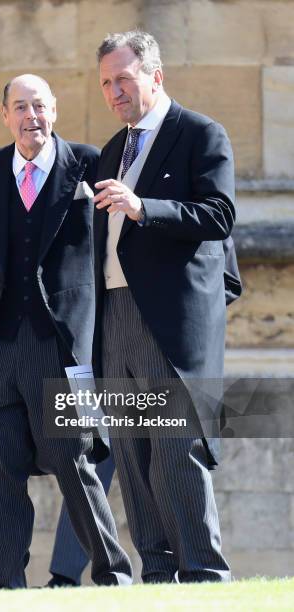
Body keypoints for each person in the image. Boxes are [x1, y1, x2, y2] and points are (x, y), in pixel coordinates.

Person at [0, 73, 132, 589]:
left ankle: (113, 575)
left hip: (60, 347)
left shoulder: (90, 163)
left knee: (74, 460)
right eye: (20, 107)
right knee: (1, 469)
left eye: (39, 106)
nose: (31, 116)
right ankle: (6, 584)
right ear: (5, 115)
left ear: (54, 110)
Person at [91, 30, 237, 583]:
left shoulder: (201, 133)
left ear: (155, 76)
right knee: (131, 454)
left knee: (177, 449)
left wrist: (142, 207)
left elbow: (218, 215)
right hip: (114, 317)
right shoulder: (110, 149)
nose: (114, 92)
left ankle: (204, 578)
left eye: (123, 79)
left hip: (169, 322)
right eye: (106, 83)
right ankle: (156, 579)